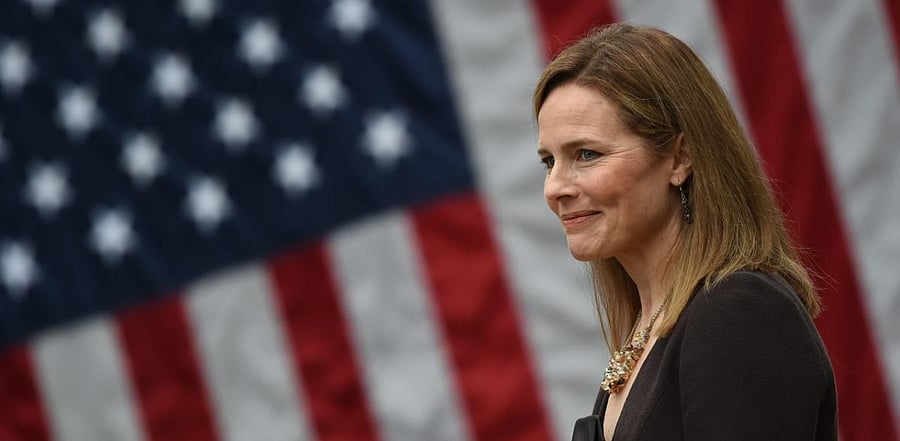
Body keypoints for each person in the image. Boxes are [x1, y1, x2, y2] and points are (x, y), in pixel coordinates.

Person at [533, 23, 838, 441]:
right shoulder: (652, 327)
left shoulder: (739, 313)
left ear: (680, 159)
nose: (556, 188)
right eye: (549, 162)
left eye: (587, 154)